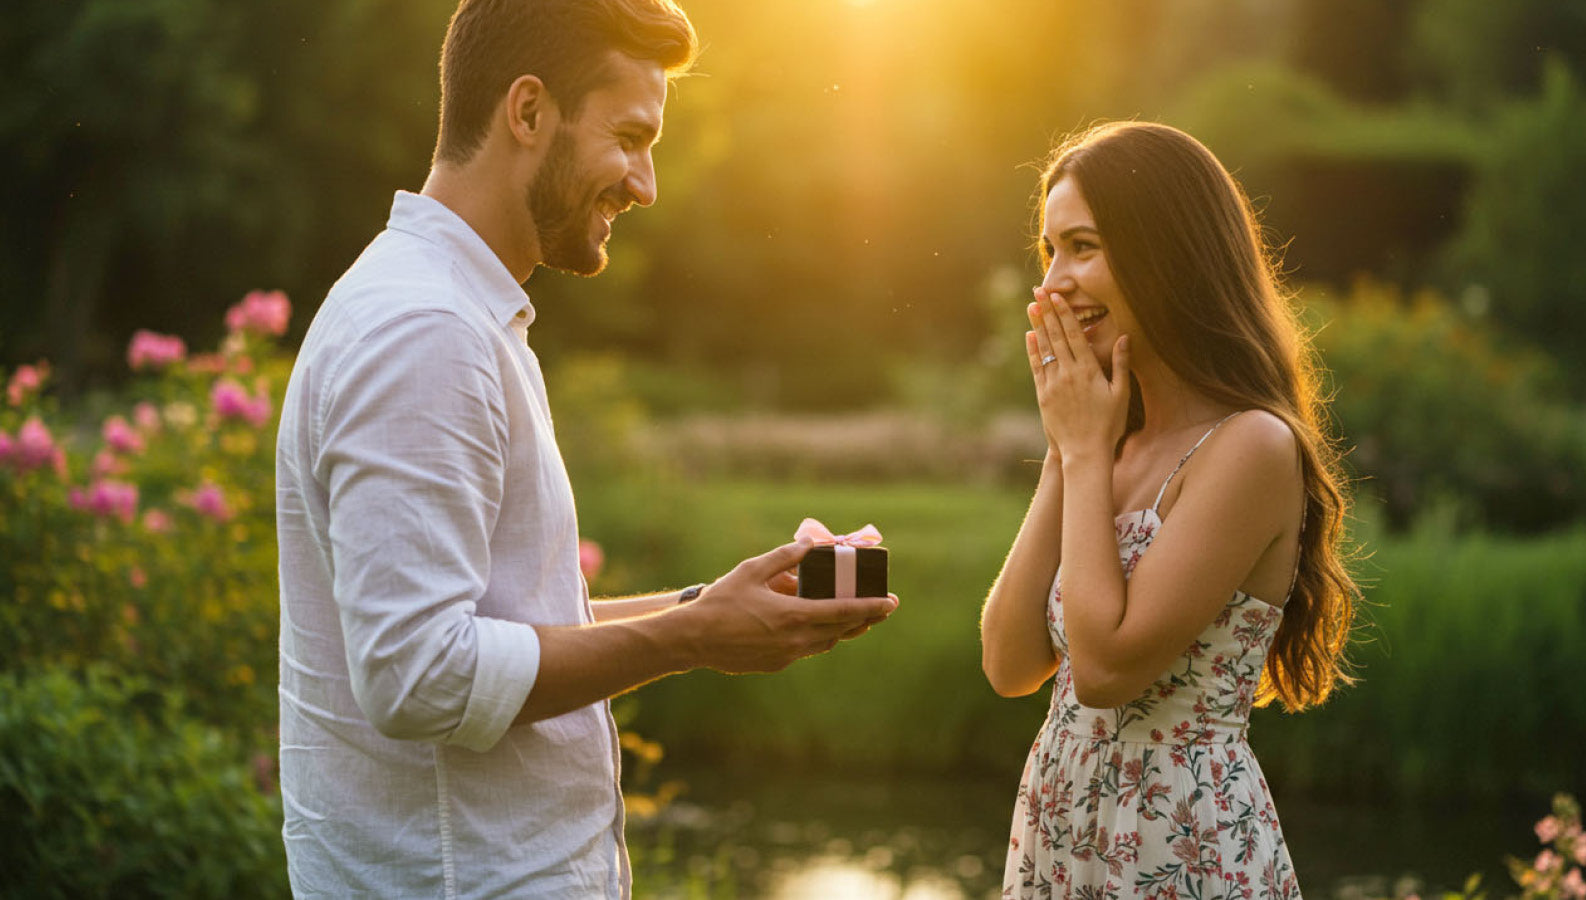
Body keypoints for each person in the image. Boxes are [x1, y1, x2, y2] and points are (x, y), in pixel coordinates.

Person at [274, 1, 897, 896]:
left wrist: (704, 607)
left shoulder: (457, 312)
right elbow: (419, 678)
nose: (645, 184)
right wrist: (690, 639)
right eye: (631, 137)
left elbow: (491, 624)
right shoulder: (425, 331)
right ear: (527, 112)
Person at [979, 121, 1360, 898]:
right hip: (1062, 835)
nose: (1053, 284)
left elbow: (1108, 668)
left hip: (1179, 845)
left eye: (1082, 247)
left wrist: (1083, 453)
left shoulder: (1249, 446)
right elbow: (1011, 664)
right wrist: (1068, 448)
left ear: (1168, 254)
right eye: (1049, 252)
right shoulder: (1103, 447)